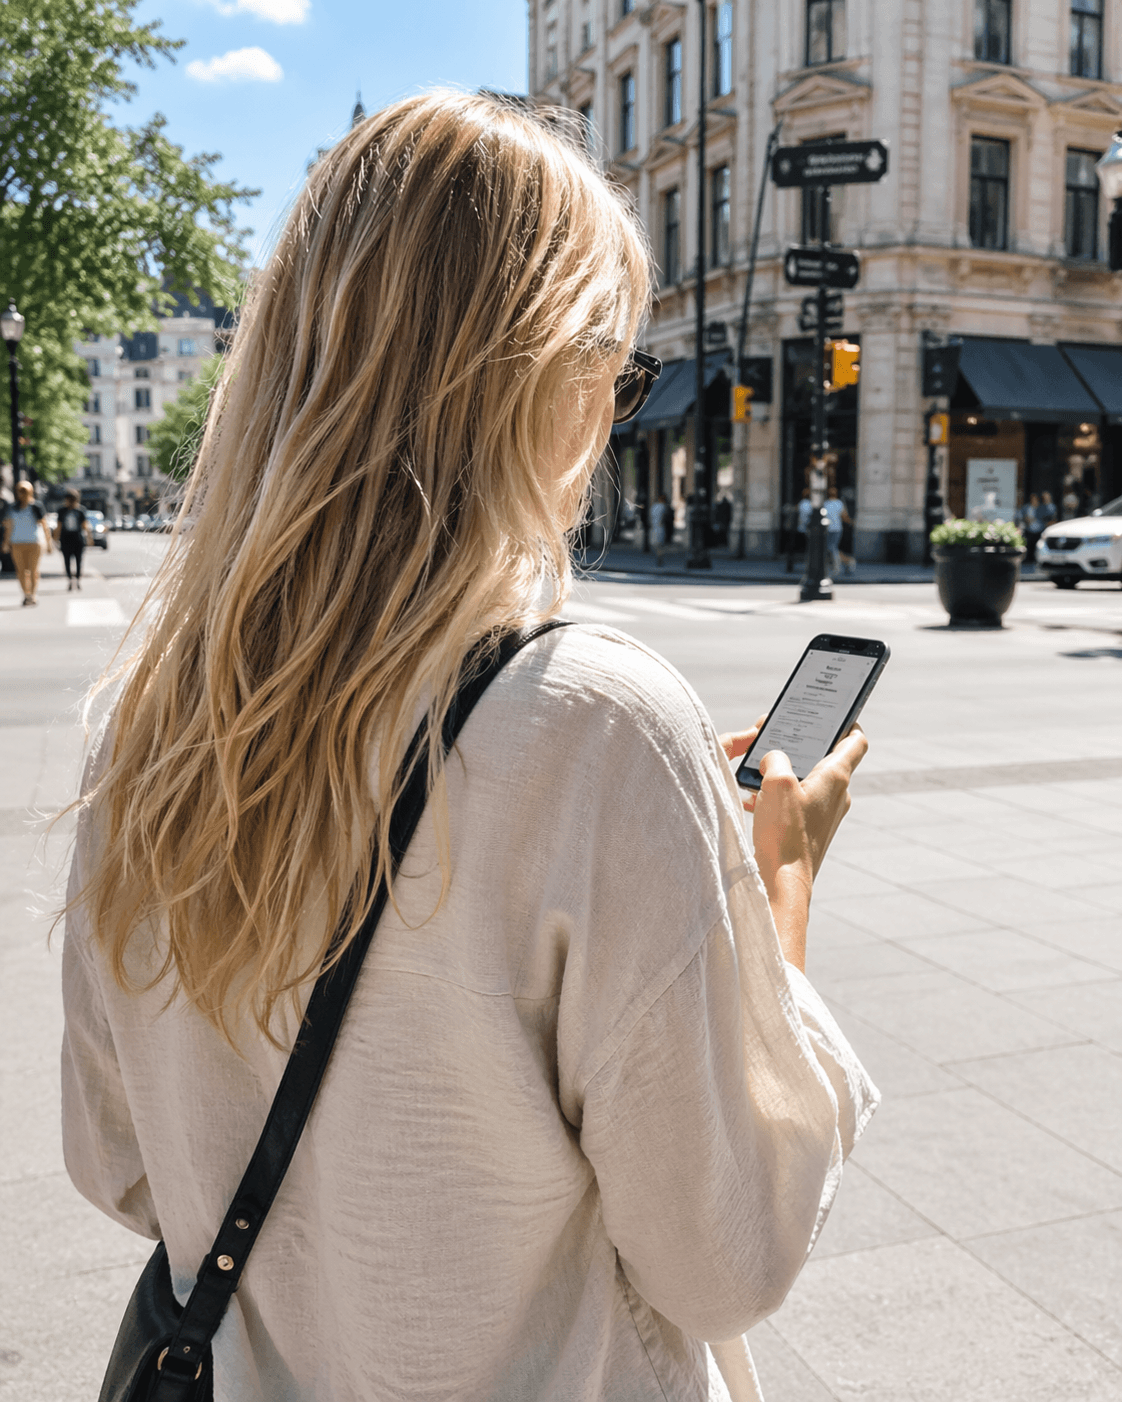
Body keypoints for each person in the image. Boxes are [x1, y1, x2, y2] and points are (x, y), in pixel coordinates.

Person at [60, 91, 876, 1402]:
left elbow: (121, 1161)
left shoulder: (142, 718)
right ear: (536, 374)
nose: (613, 415)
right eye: (616, 368)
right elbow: (723, 1258)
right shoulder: (593, 723)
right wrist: (777, 886)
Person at [2, 480, 51, 605]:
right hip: (17, 543)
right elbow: (9, 527)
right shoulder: (12, 508)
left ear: (30, 492)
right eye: (20, 491)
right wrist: (6, 543)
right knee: (21, 571)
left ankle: (33, 594)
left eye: (24, 491)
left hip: (34, 543)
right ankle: (26, 594)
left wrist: (49, 543)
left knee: (33, 570)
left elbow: (44, 525)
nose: (22, 494)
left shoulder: (36, 506)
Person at [54, 488, 92, 590]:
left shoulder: (80, 510)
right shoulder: (62, 511)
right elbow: (59, 526)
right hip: (65, 539)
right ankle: (70, 579)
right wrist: (55, 539)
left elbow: (85, 525)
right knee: (67, 561)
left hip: (78, 539)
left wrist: (89, 538)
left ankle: (78, 580)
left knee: (79, 561)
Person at [823, 485, 853, 576]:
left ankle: (838, 567)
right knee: (831, 548)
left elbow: (844, 516)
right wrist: (850, 522)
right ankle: (846, 563)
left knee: (831, 548)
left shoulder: (825, 503)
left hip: (829, 529)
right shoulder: (838, 503)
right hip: (836, 529)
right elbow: (845, 516)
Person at [650, 489, 672, 566]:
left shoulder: (654, 506)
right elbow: (665, 518)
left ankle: (659, 558)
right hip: (660, 527)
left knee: (655, 544)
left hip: (654, 527)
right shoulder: (664, 507)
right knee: (660, 545)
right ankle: (659, 558)